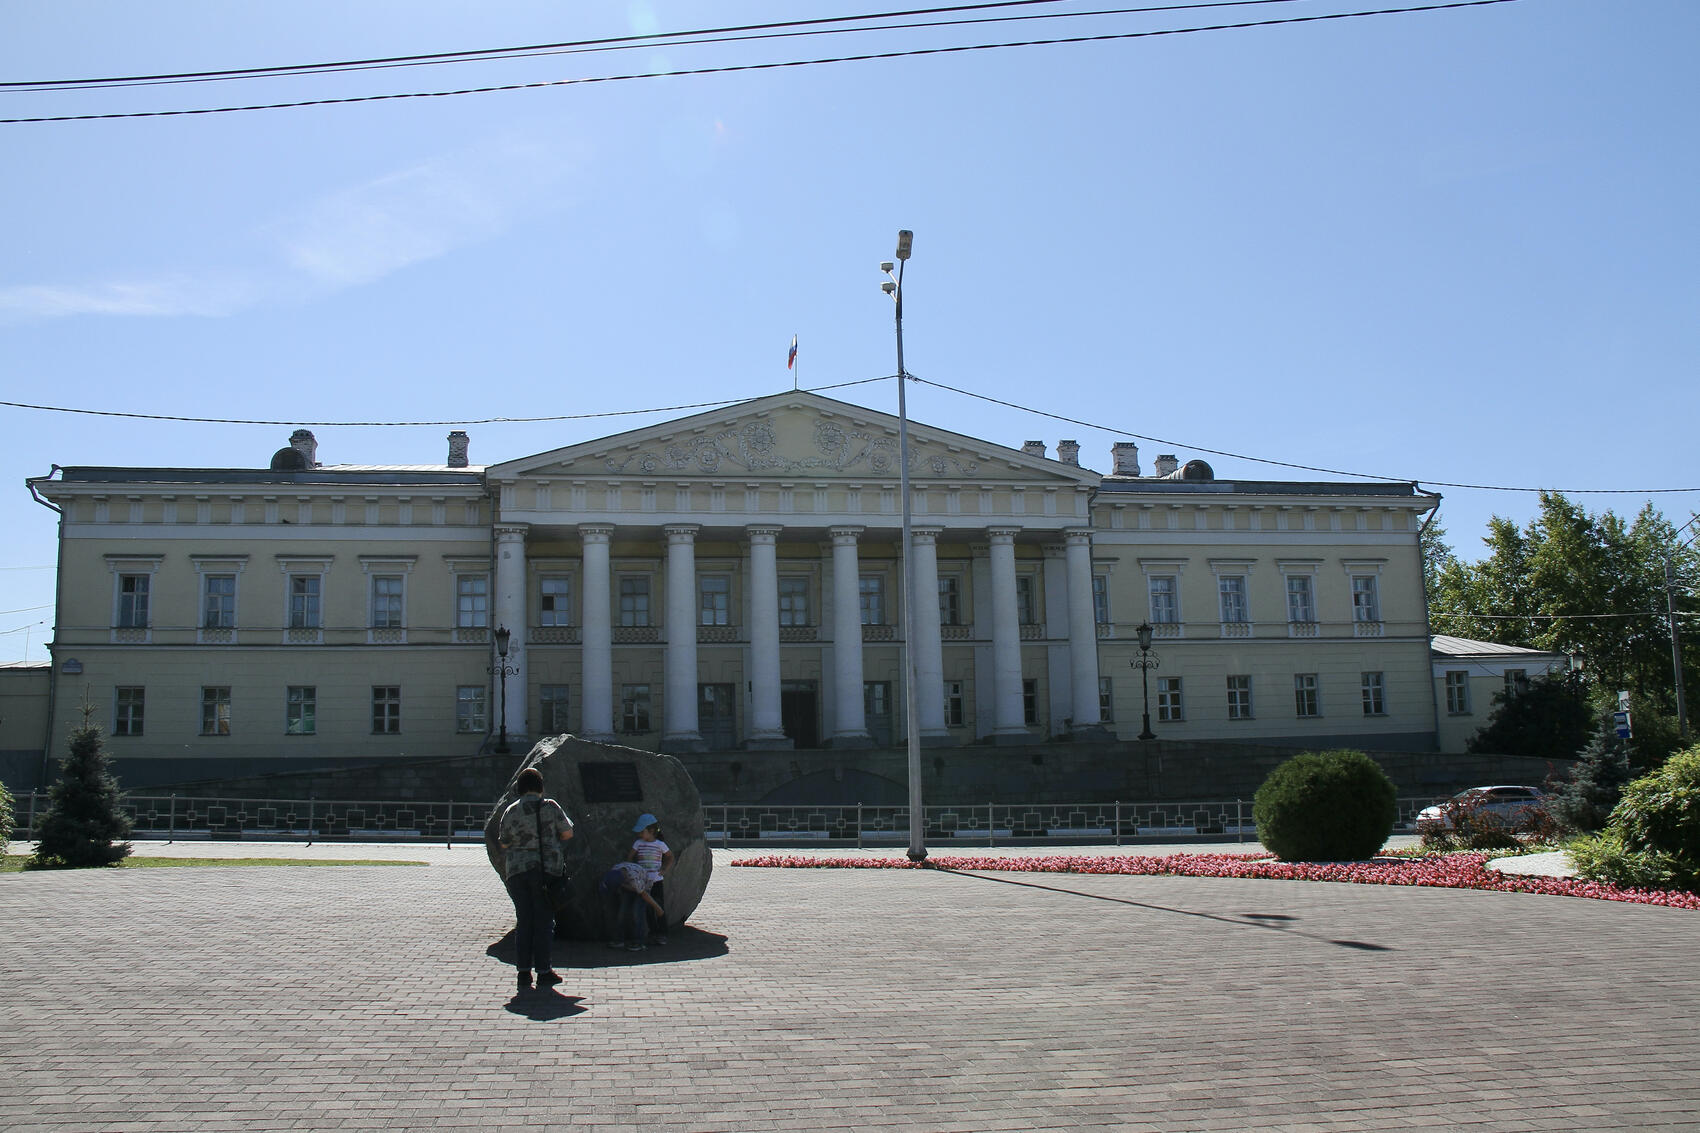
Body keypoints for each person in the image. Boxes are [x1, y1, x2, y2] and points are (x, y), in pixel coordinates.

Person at [497, 767, 574, 992]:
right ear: (540, 786)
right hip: (545, 871)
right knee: (543, 922)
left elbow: (503, 841)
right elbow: (567, 833)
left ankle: (523, 973)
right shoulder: (549, 807)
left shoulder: (511, 810)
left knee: (524, 921)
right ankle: (543, 971)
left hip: (517, 872)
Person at [627, 813, 675, 945]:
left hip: (656, 881)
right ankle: (653, 932)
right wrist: (634, 870)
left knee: (659, 907)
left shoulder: (660, 844)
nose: (640, 834)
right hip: (643, 882)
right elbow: (630, 857)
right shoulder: (638, 843)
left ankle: (662, 933)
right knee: (648, 908)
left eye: (642, 831)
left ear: (651, 831)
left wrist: (664, 869)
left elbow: (670, 856)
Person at [597, 860, 664, 952]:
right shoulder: (614, 871)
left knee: (637, 913)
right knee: (622, 913)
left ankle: (639, 942)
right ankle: (619, 940)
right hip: (627, 887)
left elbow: (643, 894)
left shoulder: (633, 877)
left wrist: (657, 908)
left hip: (643, 886)